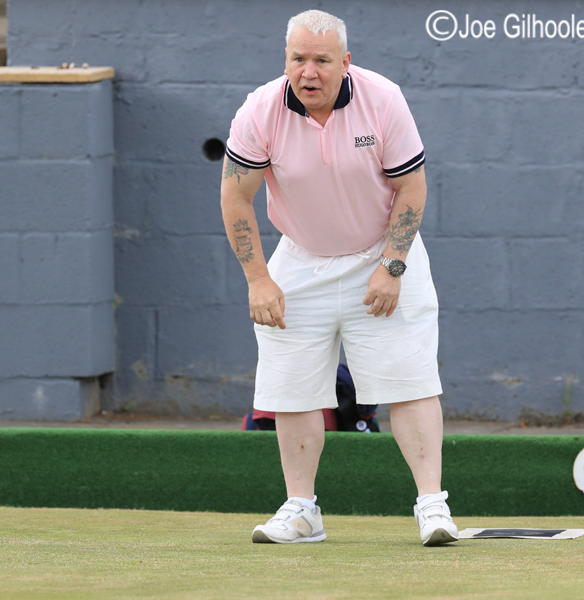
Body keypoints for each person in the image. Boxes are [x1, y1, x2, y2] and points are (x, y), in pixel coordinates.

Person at [220, 9, 458, 546]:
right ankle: (302, 511)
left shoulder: (384, 99)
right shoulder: (259, 110)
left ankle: (432, 506)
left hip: (383, 252)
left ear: (344, 63)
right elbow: (236, 197)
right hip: (300, 256)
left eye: (321, 60)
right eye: (297, 59)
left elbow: (412, 190)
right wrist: (258, 279)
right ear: (285, 61)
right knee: (291, 387)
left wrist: (391, 268)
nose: (308, 72)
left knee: (411, 379)